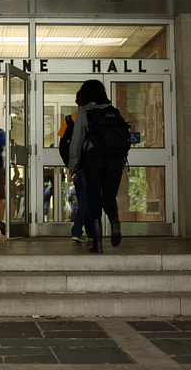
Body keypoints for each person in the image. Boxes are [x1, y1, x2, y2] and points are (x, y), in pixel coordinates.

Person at [68, 80, 123, 254]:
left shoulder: (84, 114)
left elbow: (76, 143)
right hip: (114, 159)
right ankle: (115, 222)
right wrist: (121, 163)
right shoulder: (114, 112)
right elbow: (121, 139)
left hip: (94, 159)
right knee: (109, 198)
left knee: (93, 200)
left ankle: (97, 244)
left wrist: (73, 167)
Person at [57, 90, 94, 243]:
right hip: (88, 166)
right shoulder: (92, 119)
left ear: (76, 102)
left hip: (76, 167)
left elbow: (63, 147)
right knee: (86, 200)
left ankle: (90, 232)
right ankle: (77, 230)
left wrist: (71, 168)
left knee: (82, 198)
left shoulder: (68, 120)